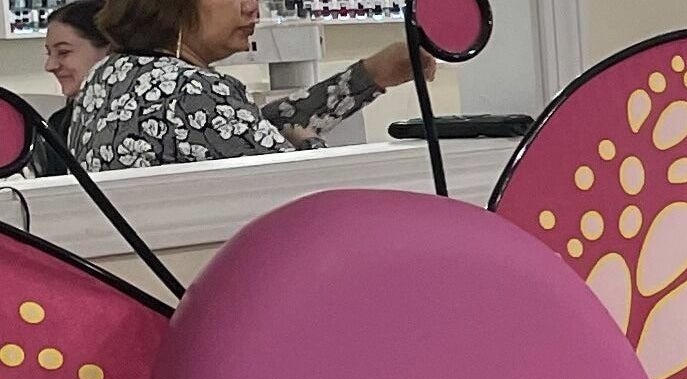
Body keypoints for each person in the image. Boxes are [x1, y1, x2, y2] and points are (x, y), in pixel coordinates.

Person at [68, 0, 430, 172]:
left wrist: (370, 76)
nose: (251, 8)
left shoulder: (109, 75)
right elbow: (302, 186)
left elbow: (248, 126)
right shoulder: (190, 90)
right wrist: (308, 146)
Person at [19, 3, 108, 177]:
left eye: (64, 52)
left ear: (109, 50)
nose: (50, 66)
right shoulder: (59, 125)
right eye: (49, 54)